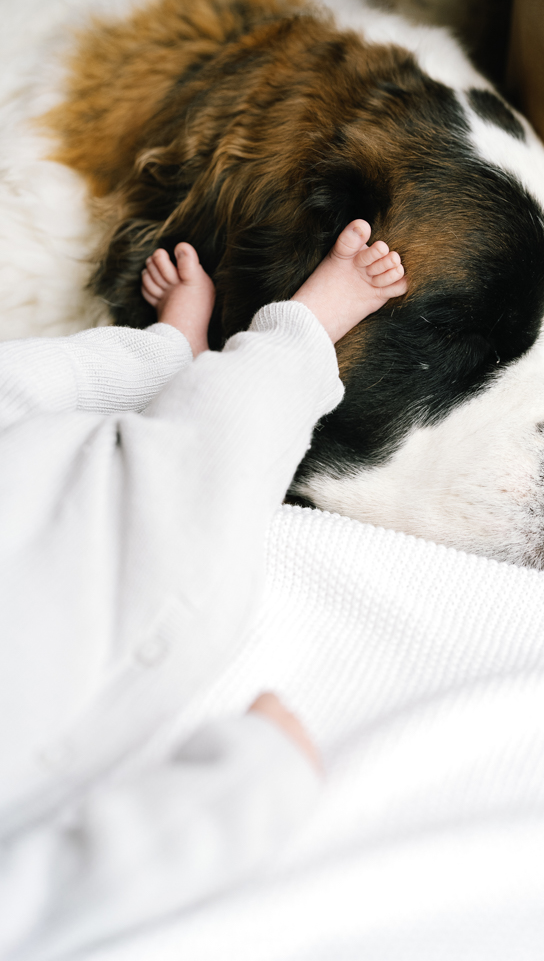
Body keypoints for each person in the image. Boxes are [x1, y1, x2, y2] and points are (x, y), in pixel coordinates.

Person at [0, 221, 406, 958]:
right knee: (215, 450)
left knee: (25, 380)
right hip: (93, 600)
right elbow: (59, 889)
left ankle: (163, 357)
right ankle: (303, 331)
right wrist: (251, 782)